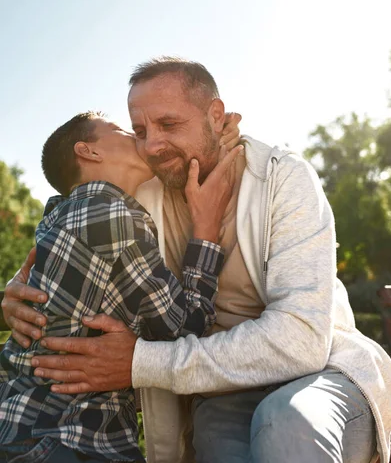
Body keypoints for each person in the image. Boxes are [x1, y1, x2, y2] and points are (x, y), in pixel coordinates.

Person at [3, 57, 391, 463]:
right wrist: (15, 296)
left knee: (286, 424)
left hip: (321, 375)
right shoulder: (138, 193)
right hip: (220, 391)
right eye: (139, 131)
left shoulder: (283, 178)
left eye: (169, 125)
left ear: (216, 115)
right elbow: (68, 238)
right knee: (215, 442)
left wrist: (141, 362)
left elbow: (301, 340)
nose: (152, 145)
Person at [0, 110, 243, 462]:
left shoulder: (62, 214)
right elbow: (185, 328)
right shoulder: (113, 215)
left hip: (20, 426)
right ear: (89, 152)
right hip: (67, 441)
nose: (137, 137)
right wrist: (205, 231)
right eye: (121, 131)